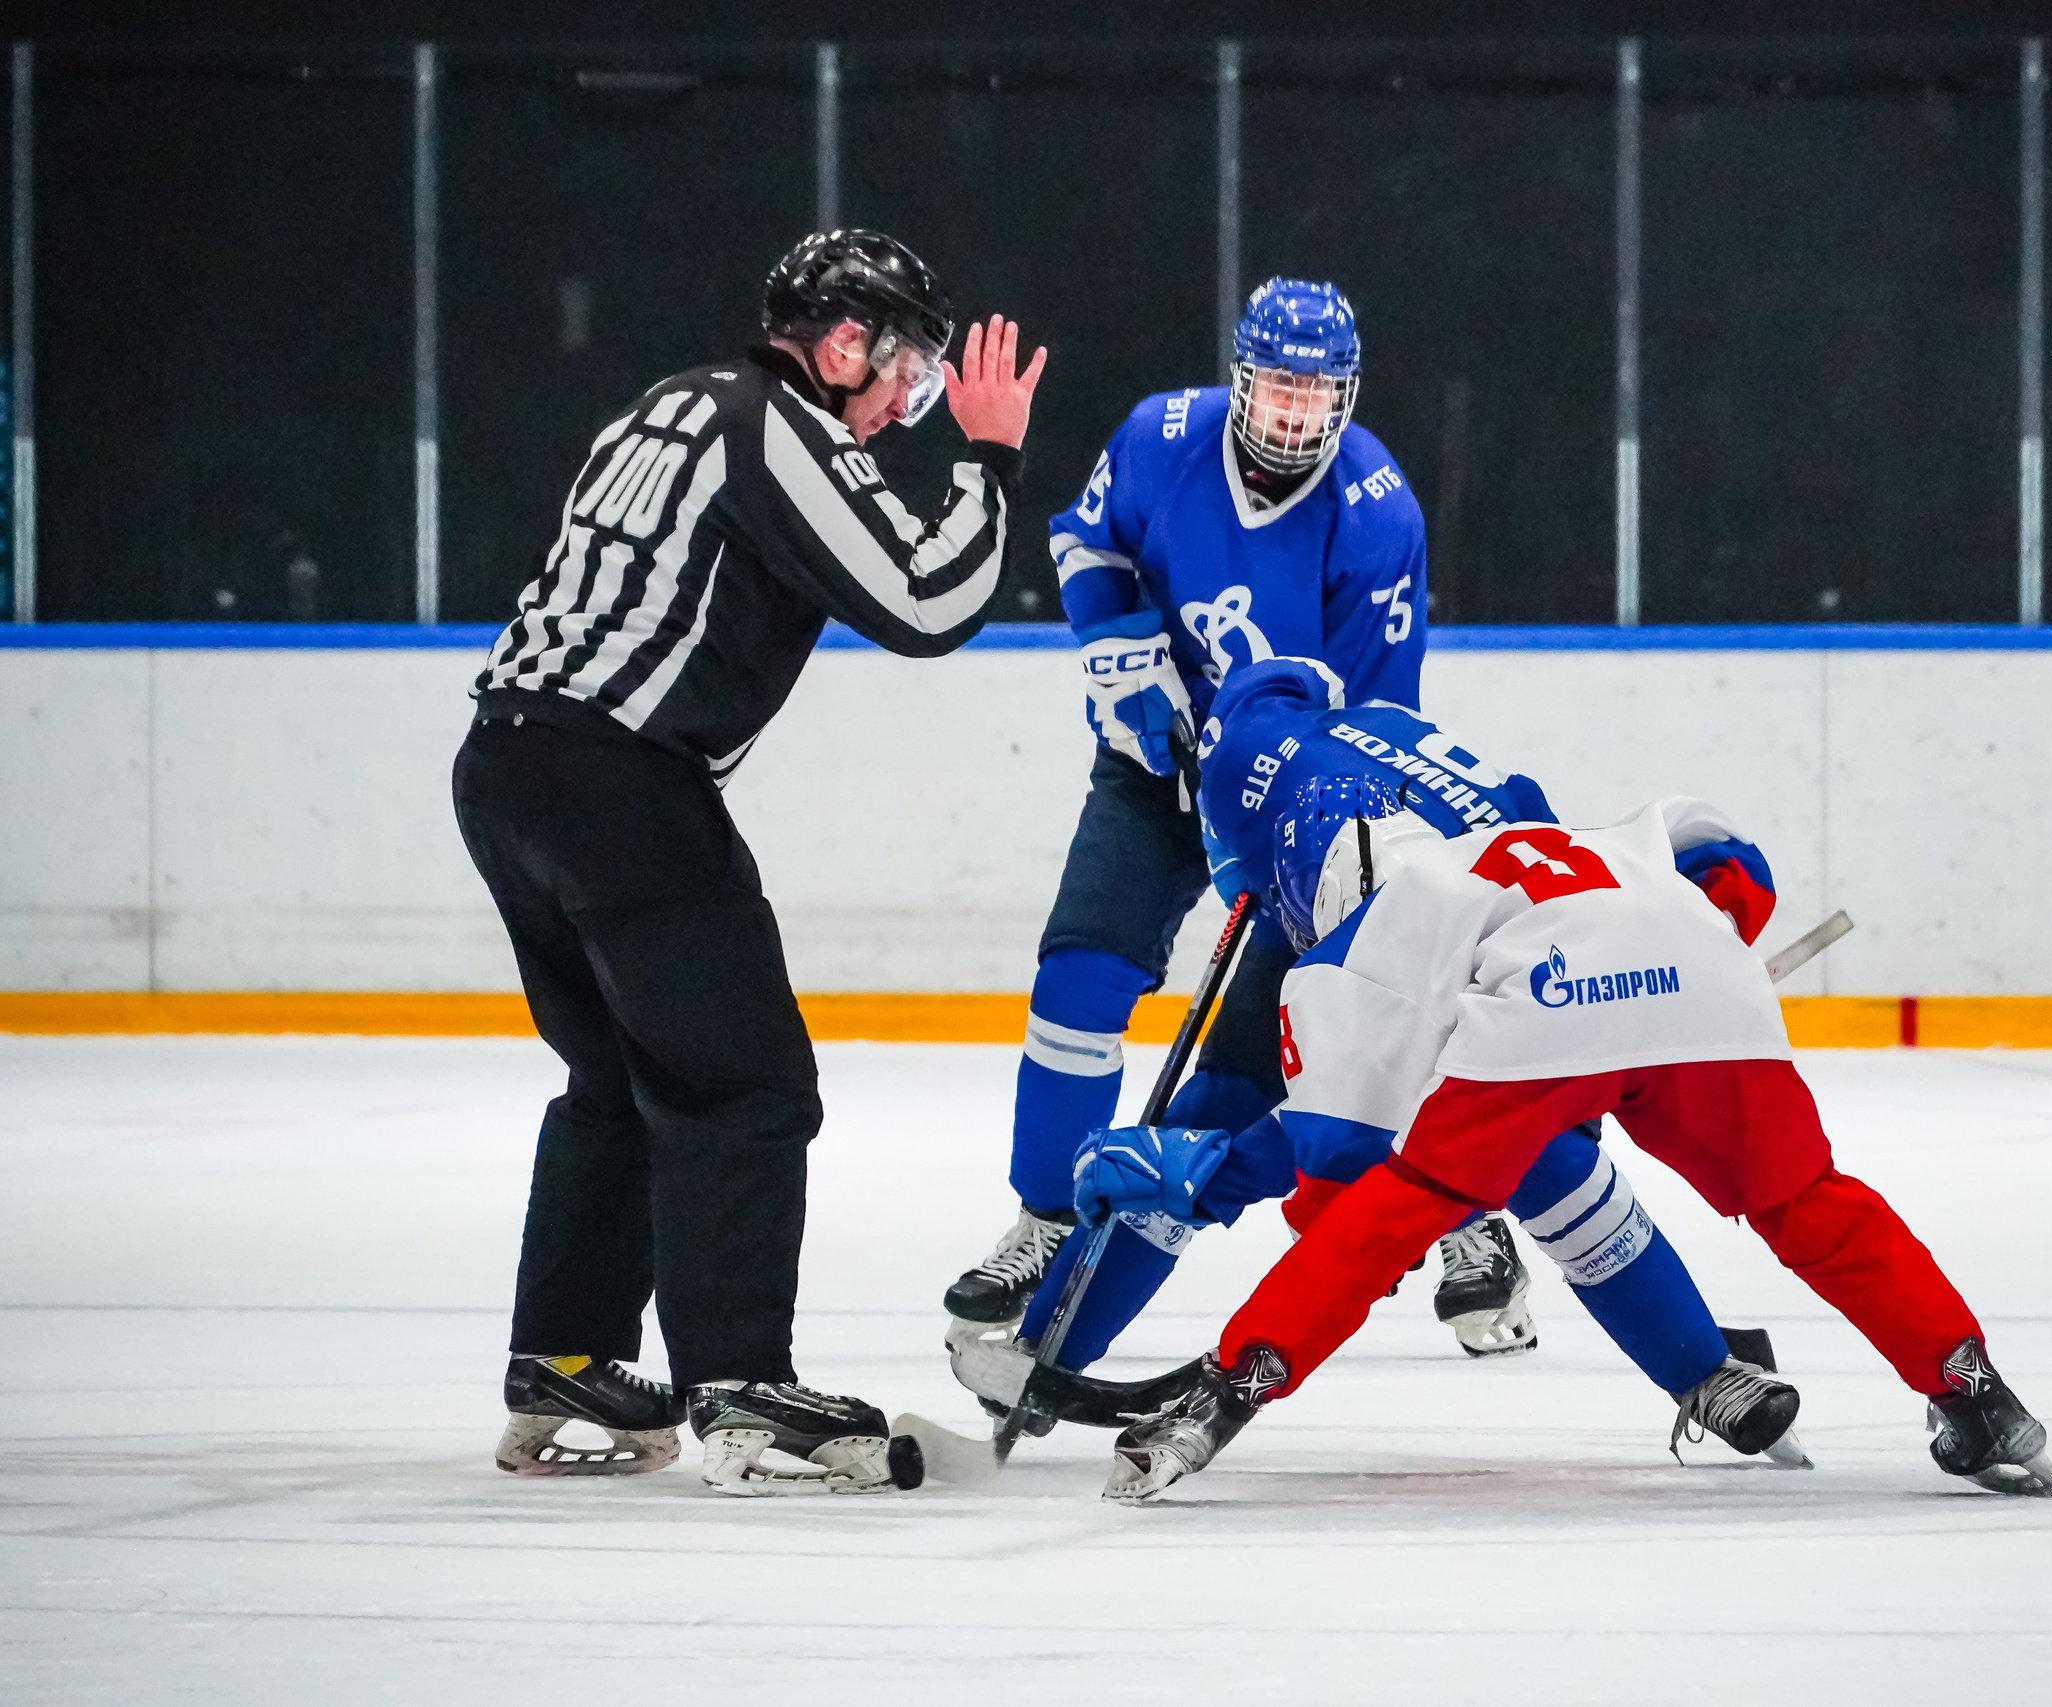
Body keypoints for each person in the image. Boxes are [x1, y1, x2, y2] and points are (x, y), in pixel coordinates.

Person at [1084, 740, 2052, 1504]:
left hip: (1546, 1013)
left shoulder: (1351, 946)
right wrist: (1711, 936)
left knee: (1404, 1202)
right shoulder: (1589, 839)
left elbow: (1337, 1170)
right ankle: (1972, 1390)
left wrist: (1200, 1176)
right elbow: (1730, 858)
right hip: (1703, 980)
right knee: (1807, 1200)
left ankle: (1221, 1398)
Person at [454, 228, 1045, 1495]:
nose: (906, 405)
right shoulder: (774, 425)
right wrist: (988, 454)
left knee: (616, 1078)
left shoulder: (662, 406)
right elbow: (927, 604)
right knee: (748, 1088)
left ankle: (565, 1354)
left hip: (507, 769)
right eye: (910, 375)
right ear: (843, 343)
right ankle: (741, 1387)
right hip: (621, 786)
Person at [948, 659, 1808, 1473]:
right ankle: (1703, 1369)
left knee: (1522, 1148)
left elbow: (1347, 1112)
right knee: (1514, 1146)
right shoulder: (1355, 735)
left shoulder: (1242, 761)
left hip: (1433, 934)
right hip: (1367, 925)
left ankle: (1046, 1350)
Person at [942, 279, 1534, 1362]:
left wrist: (1274, 831)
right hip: (1151, 766)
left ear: (1347, 396)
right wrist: (1116, 650)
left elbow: (1374, 718)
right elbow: (1088, 542)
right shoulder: (1160, 434)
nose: (1297, 416)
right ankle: (1045, 1218)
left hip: (1298, 804)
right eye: (1279, 389)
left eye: (1320, 396)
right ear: (1239, 377)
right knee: (1079, 979)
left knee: (1361, 1011)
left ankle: (1472, 1211)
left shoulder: (1377, 512)